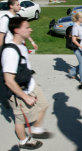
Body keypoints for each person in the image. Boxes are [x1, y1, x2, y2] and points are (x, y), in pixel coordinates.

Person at [1, 17, 50, 149]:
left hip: (30, 85)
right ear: (17, 30)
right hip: (19, 92)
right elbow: (9, 81)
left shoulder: (21, 44)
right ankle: (23, 141)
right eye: (27, 27)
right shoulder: (10, 52)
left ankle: (36, 129)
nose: (31, 29)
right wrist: (25, 97)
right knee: (20, 119)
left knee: (44, 105)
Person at [68, 12, 82, 83]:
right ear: (79, 19)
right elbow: (74, 40)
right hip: (78, 48)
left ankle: (72, 72)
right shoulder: (75, 27)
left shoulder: (80, 27)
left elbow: (80, 38)